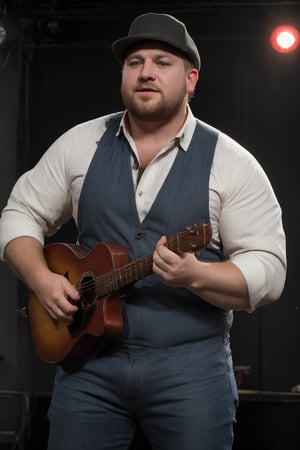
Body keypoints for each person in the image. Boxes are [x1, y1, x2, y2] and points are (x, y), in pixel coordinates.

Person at [0, 12, 286, 450]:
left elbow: (269, 271)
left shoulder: (233, 163)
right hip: (87, 368)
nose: (146, 72)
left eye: (161, 62)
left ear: (191, 79)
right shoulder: (81, 142)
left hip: (191, 371)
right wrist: (41, 280)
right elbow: (19, 212)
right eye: (134, 62)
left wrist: (197, 276)